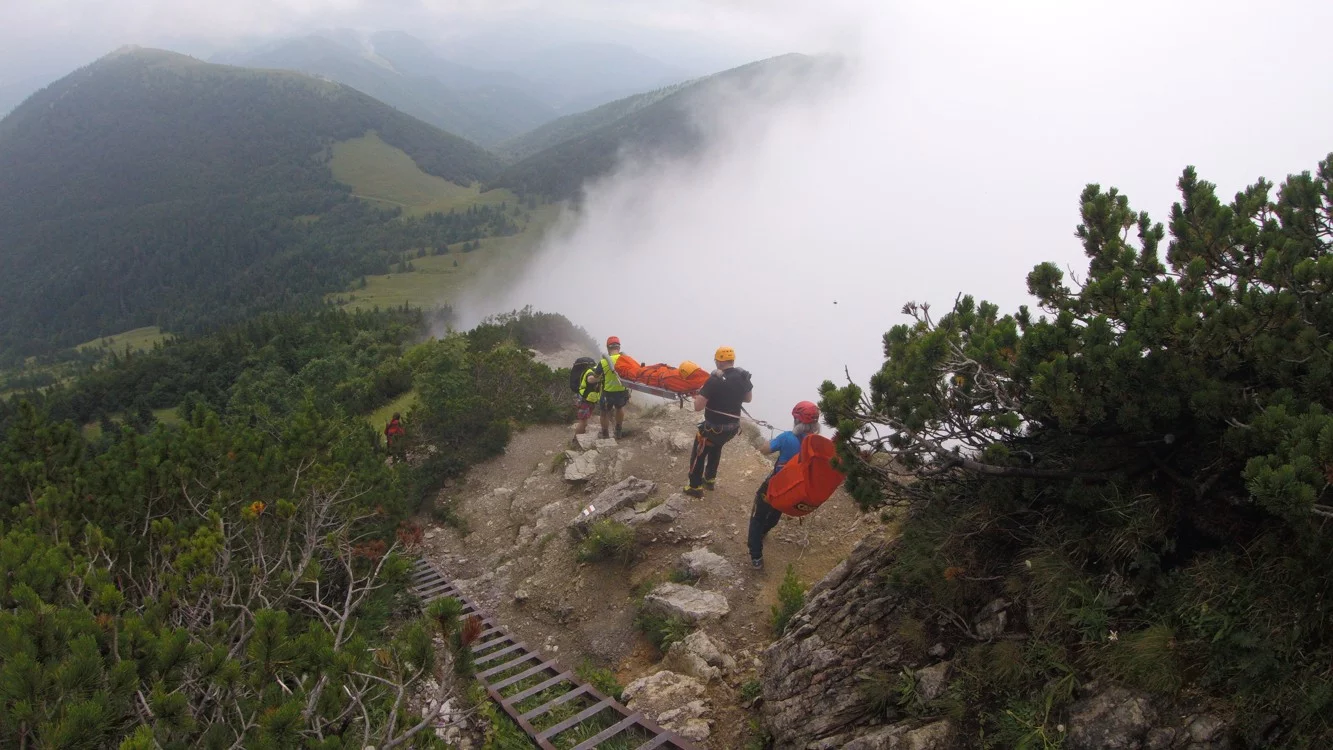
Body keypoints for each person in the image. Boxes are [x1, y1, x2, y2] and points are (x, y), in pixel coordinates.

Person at [747, 401, 821, 569]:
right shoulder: (815, 443)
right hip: (794, 490)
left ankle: (756, 557)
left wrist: (770, 440)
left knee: (758, 517)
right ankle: (764, 531)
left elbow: (764, 450)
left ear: (796, 420)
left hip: (775, 485)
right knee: (775, 514)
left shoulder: (787, 437)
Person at [684, 346, 752, 498]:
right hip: (732, 429)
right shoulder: (743, 376)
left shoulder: (714, 379)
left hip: (714, 429)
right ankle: (709, 479)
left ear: (720, 362)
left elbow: (697, 407)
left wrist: (701, 395)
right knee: (716, 447)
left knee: (699, 452)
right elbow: (748, 399)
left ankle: (694, 486)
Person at [597, 336, 631, 439]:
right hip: (622, 390)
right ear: (619, 347)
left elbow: (596, 376)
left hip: (608, 392)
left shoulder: (603, 362)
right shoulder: (626, 360)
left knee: (604, 412)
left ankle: (605, 434)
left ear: (608, 348)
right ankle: (618, 431)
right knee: (619, 408)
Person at [574, 361, 602, 439]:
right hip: (584, 400)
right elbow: (590, 380)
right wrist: (601, 377)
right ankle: (575, 440)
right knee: (583, 422)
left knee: (585, 421)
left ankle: (578, 438)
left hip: (591, 400)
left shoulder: (597, 371)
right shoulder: (591, 371)